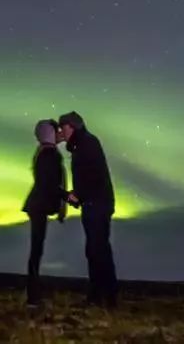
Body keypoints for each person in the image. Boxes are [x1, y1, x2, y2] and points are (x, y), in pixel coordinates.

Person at [58, 111, 118, 308]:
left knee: (97, 250)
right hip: (96, 202)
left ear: (72, 127)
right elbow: (89, 176)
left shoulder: (86, 144)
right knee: (96, 249)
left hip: (97, 204)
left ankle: (103, 298)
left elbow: (93, 176)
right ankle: (103, 296)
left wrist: (79, 194)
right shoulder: (83, 144)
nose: (61, 131)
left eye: (63, 127)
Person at [21, 119, 70, 307]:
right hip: (39, 206)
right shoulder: (49, 154)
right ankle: (33, 298)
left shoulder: (45, 153)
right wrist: (67, 197)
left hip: (38, 206)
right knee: (36, 251)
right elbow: (50, 184)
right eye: (56, 131)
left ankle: (33, 295)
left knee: (36, 251)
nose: (60, 134)